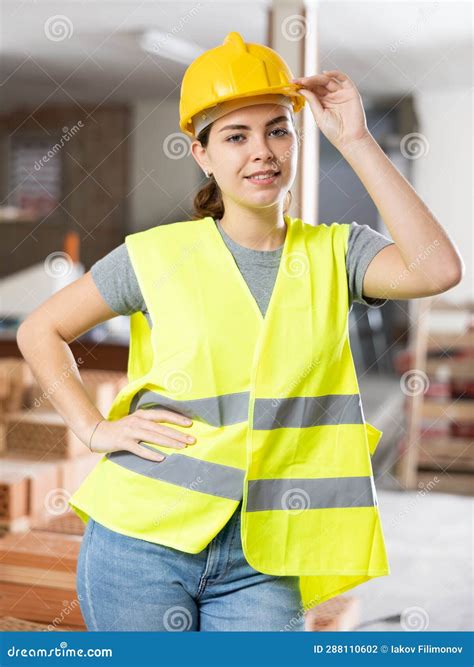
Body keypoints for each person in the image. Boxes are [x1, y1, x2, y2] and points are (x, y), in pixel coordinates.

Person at [17, 32, 464, 633]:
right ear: (200, 153)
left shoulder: (340, 253)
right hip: (141, 540)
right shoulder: (156, 255)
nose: (262, 151)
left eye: (278, 129)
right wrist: (93, 428)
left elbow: (438, 269)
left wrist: (356, 140)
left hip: (267, 550)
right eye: (236, 135)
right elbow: (41, 329)